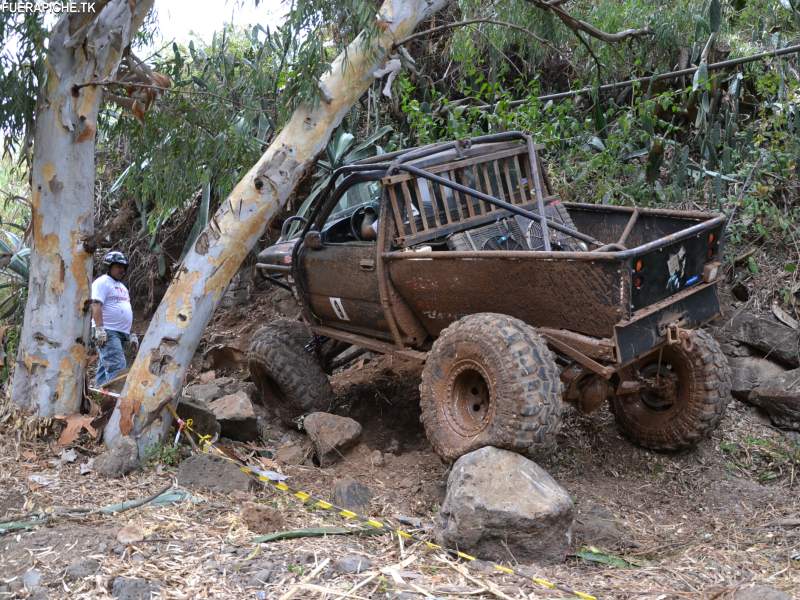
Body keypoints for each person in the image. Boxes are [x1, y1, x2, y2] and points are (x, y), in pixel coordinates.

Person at [91, 251, 138, 386]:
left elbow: (127, 310)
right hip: (108, 332)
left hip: (122, 333)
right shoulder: (102, 282)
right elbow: (96, 304)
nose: (122, 270)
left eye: (124, 267)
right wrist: (100, 329)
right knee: (117, 368)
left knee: (105, 367)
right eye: (118, 266)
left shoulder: (122, 287)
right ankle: (116, 403)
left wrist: (132, 334)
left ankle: (99, 396)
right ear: (109, 266)